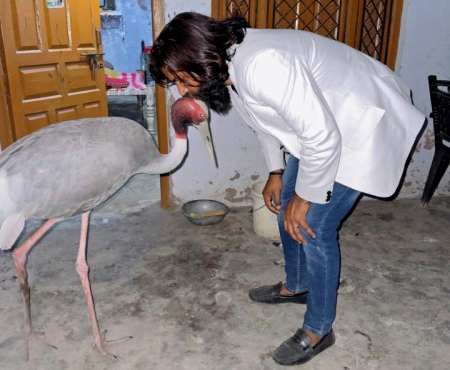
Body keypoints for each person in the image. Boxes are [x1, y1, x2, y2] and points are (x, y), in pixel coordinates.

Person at [149, 12, 425, 366]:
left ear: (199, 55)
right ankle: (298, 286)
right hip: (322, 127)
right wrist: (276, 172)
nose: (183, 90)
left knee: (314, 226)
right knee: (283, 205)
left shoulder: (263, 63)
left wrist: (307, 197)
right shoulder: (231, 62)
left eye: (181, 79)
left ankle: (318, 329)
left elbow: (322, 136)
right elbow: (264, 121)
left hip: (361, 123)